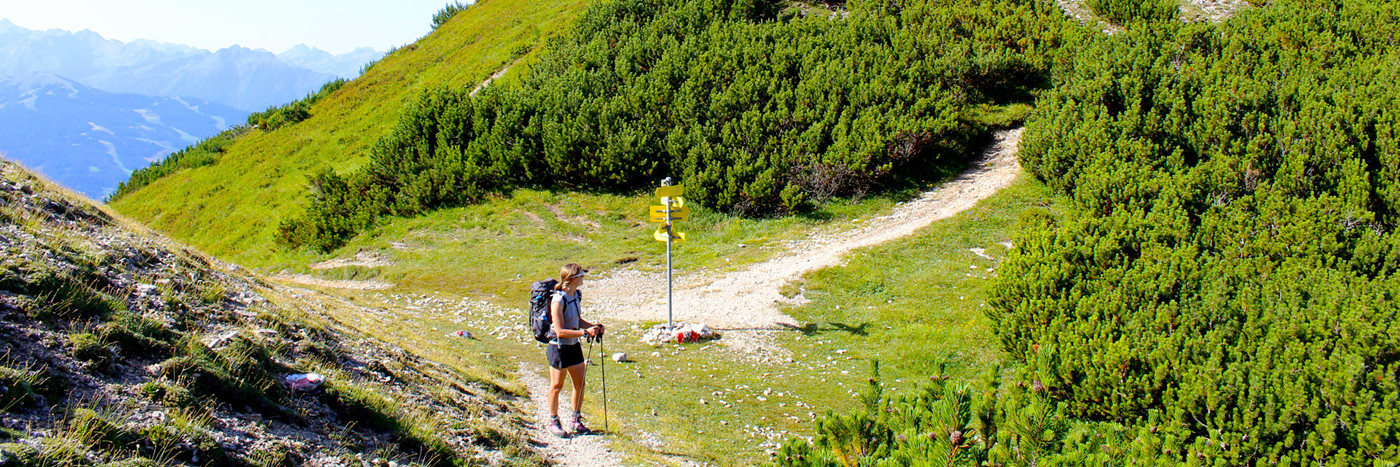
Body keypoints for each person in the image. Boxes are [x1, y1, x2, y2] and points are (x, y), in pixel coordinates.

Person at [545, 263, 604, 438]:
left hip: (573, 346)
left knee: (580, 384)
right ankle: (553, 420)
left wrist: (593, 327)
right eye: (580, 274)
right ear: (571, 278)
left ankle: (575, 420)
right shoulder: (558, 300)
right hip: (559, 347)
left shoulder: (575, 296)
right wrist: (585, 332)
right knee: (557, 385)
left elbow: (576, 320)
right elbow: (559, 331)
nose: (583, 277)